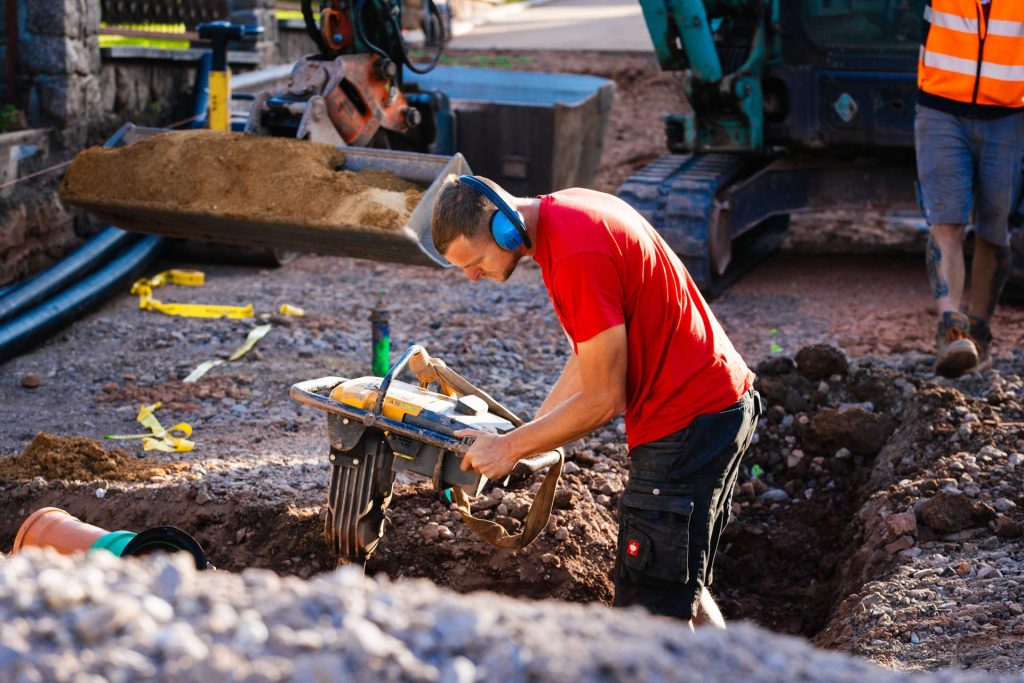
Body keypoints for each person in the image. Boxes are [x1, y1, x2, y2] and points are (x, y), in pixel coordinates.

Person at [430, 175, 761, 628]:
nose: (472, 276)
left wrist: (509, 449)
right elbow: (589, 357)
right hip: (718, 407)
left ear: (504, 226)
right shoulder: (568, 214)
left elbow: (605, 398)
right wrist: (525, 433)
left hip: (685, 424)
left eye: (475, 261)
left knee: (649, 615)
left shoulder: (574, 255)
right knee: (680, 589)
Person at [916, 0, 1024, 378]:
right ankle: (952, 330)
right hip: (941, 109)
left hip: (1010, 114)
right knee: (946, 222)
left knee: (994, 229)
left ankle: (979, 330)